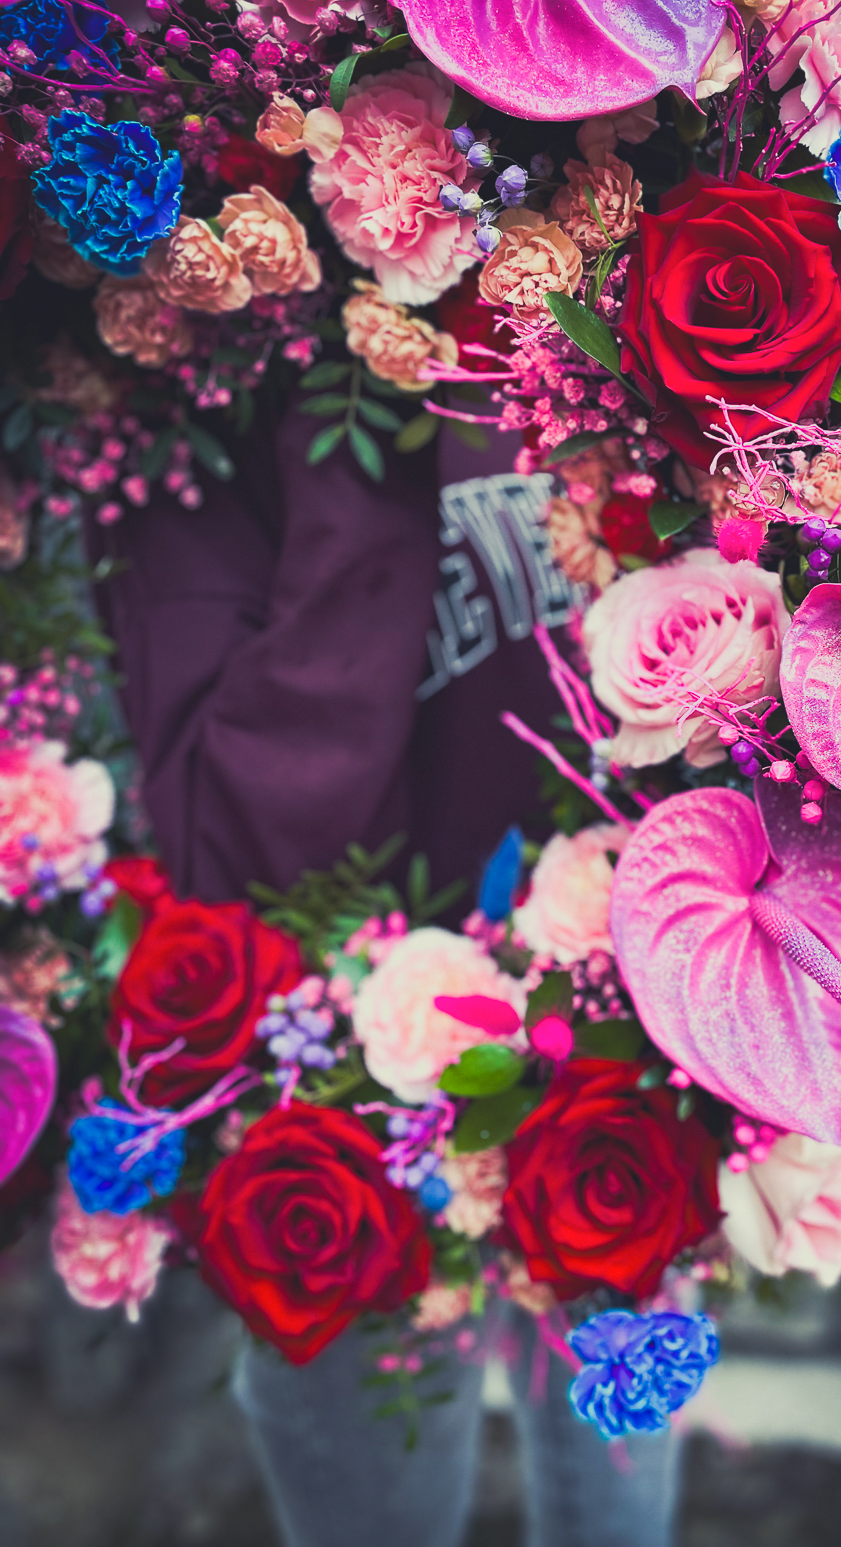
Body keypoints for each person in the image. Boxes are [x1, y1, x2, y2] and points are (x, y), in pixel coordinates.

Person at [88, 409, 681, 1547]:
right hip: (355, 1111)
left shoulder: (571, 348)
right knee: (381, 1490)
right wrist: (352, 437)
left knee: (615, 1487)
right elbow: (241, 852)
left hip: (620, 1051)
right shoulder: (197, 415)